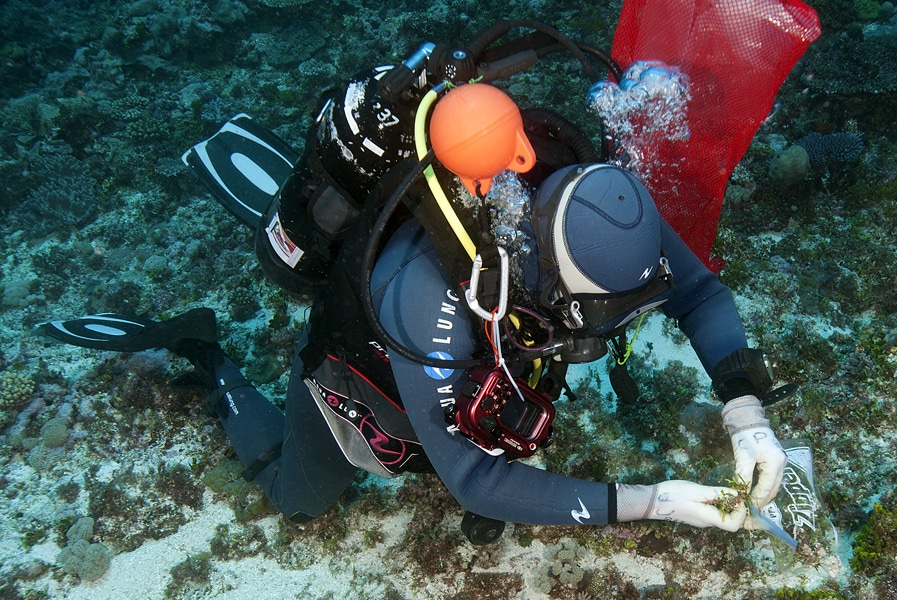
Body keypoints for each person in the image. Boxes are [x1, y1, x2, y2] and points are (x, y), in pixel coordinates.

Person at [43, 22, 789, 541]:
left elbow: (699, 293)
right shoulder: (428, 297)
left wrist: (746, 412)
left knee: (489, 413)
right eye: (593, 321)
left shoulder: (603, 199)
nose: (600, 337)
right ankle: (209, 356)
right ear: (548, 275)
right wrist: (654, 502)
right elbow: (473, 479)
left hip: (479, 345)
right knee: (300, 499)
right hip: (365, 366)